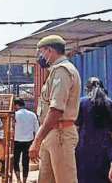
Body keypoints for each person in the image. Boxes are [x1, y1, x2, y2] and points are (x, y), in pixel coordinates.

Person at [29, 35, 81, 183]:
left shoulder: (62, 70)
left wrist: (37, 140)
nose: (40, 56)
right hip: (52, 133)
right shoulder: (55, 71)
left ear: (50, 50)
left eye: (41, 52)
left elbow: (56, 110)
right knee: (45, 179)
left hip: (60, 134)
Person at [76, 77, 112, 183]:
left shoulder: (82, 102)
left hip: (84, 149)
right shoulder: (109, 103)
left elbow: (76, 126)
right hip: (105, 150)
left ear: (87, 90)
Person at [13, 97, 39, 183]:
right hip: (28, 141)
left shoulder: (15, 115)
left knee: (15, 161)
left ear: (16, 105)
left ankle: (18, 179)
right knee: (25, 162)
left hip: (16, 141)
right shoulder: (32, 115)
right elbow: (37, 130)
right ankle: (24, 181)